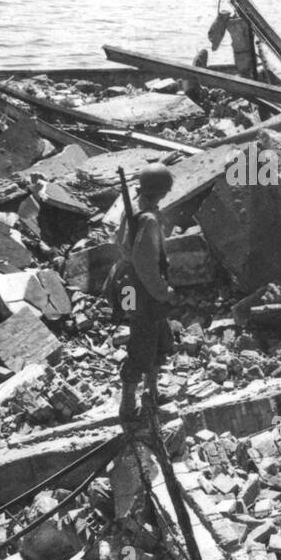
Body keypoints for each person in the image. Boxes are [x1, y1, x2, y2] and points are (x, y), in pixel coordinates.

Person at [117, 163, 176, 424]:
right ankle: (128, 407)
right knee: (142, 345)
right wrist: (164, 292)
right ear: (162, 192)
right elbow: (145, 264)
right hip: (145, 292)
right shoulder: (149, 219)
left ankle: (152, 394)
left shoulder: (135, 211)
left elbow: (120, 244)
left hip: (132, 288)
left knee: (159, 339)